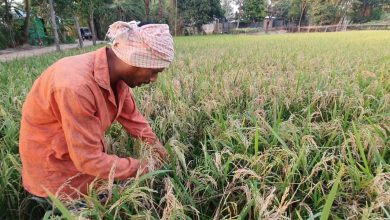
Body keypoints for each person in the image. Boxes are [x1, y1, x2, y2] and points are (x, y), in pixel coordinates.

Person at [19, 21, 174, 199]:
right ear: (137, 61)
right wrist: (146, 167)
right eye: (154, 72)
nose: (153, 79)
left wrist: (159, 150)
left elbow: (134, 120)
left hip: (87, 167)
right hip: (57, 179)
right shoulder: (75, 86)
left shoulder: (117, 77)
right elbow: (88, 159)